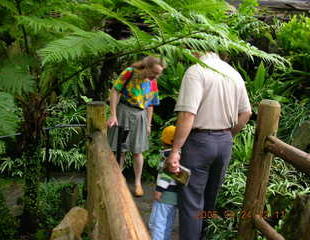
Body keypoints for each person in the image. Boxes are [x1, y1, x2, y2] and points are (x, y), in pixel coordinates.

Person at [166, 51, 252, 240]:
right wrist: (229, 135)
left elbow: (188, 114)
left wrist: (175, 150)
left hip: (198, 144)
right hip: (224, 143)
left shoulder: (196, 71)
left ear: (197, 48)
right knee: (210, 199)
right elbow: (246, 112)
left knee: (190, 201)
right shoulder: (233, 73)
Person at [107, 56, 166, 197]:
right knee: (120, 150)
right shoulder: (130, 72)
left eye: (159, 74)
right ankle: (117, 179)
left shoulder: (153, 82)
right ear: (147, 67)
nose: (156, 76)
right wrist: (113, 115)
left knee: (137, 151)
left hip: (140, 115)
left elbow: (151, 104)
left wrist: (148, 123)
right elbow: (115, 91)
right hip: (124, 111)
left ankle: (138, 183)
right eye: (155, 72)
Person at [149, 126, 178, 240]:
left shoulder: (167, 157)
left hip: (165, 194)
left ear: (163, 140)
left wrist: (159, 190)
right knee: (168, 222)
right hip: (175, 194)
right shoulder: (181, 154)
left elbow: (166, 174)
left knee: (158, 224)